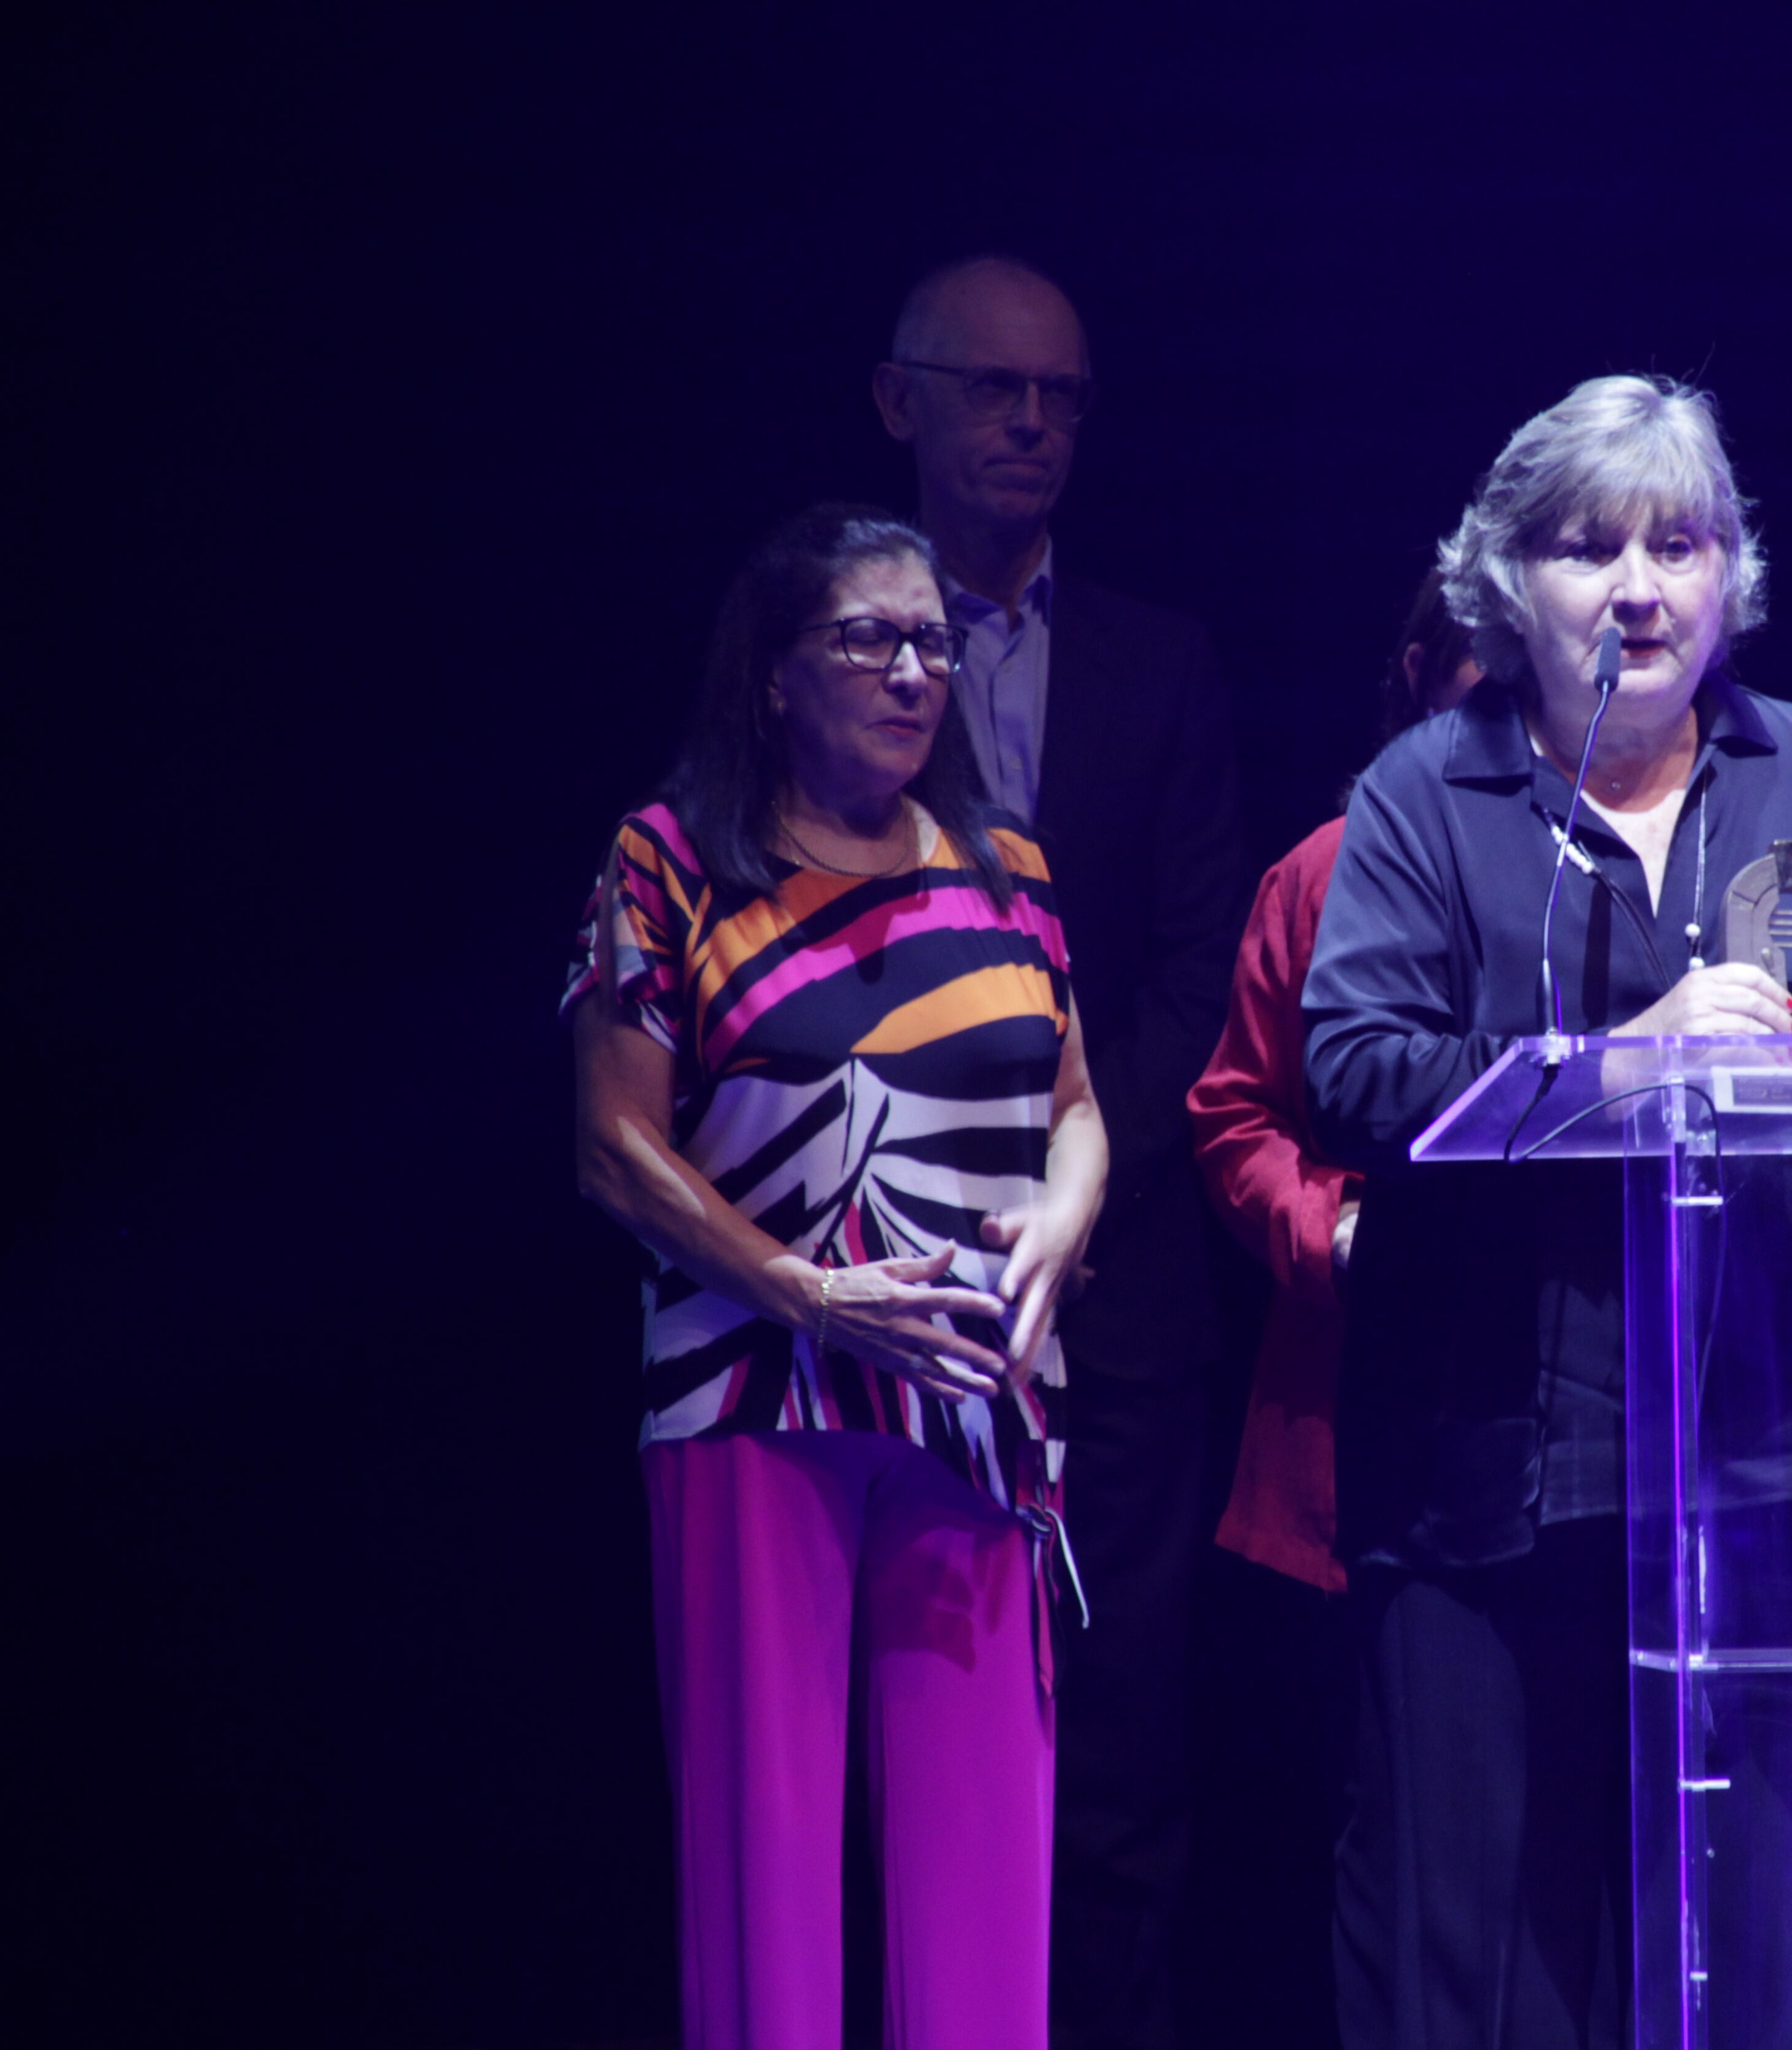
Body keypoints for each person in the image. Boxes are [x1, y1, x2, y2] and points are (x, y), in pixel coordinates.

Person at [1300, 374, 1792, 2050]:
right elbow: (1354, 1069)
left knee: (1749, 1951)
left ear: (1732, 574)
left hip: (1768, 1462)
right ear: (1508, 583)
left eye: (1681, 544)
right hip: (1491, 1471)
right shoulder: (1426, 792)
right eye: (1591, 549)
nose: (1640, 589)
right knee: (1492, 1962)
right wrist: (1616, 1064)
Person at [567, 503, 1107, 2050]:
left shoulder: (1007, 866)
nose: (912, 670)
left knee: (985, 1872)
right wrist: (807, 1293)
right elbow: (611, 1146)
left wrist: (1066, 1217)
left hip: (973, 1398)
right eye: (869, 638)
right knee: (769, 1872)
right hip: (756, 1395)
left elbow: (1077, 1106)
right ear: (775, 672)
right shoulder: (672, 859)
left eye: (932, 640)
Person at [874, 254, 1249, 2050]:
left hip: (1122, 1284)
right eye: (994, 388)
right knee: (902, 1724)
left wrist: (1070, 1181)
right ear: (900, 403)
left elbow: (1197, 971)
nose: (1032, 425)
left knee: (1114, 1751)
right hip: (874, 1276)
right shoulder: (825, 642)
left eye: (1063, 398)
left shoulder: (1161, 662)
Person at [1190, 572, 1481, 1595]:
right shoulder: (1325, 871)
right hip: (1345, 1402)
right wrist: (1334, 1230)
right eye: (1487, 686)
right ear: (1421, 677)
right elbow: (1235, 1114)